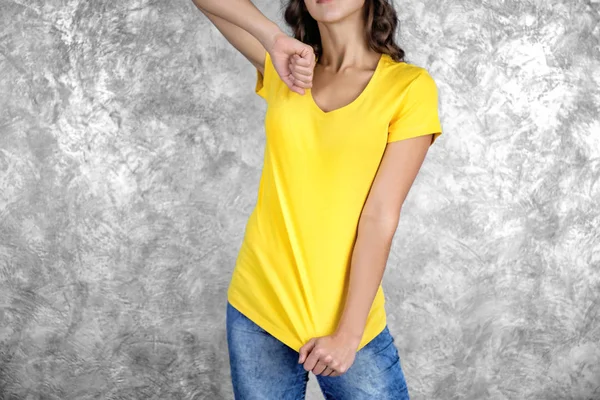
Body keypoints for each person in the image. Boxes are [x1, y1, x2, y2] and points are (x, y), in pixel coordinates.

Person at [192, 0, 443, 398]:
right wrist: (273, 38)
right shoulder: (285, 65)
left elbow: (379, 216)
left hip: (348, 322)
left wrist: (348, 334)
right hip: (259, 309)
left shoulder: (408, 88)